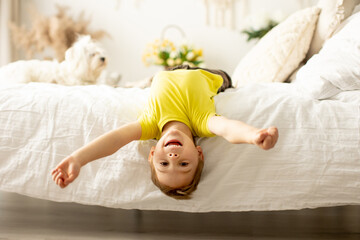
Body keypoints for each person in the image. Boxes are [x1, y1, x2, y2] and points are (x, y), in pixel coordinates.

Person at [51, 65, 278, 199]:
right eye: (183, 165)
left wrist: (78, 159)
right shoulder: (202, 122)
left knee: (151, 80)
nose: (173, 159)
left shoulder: (150, 124)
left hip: (167, 73)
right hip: (211, 75)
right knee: (226, 78)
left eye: (164, 164)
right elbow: (228, 129)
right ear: (199, 153)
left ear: (152, 154)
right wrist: (253, 136)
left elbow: (115, 139)